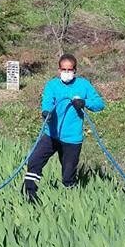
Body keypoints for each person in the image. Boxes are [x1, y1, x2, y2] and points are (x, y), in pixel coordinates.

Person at [24, 54, 105, 201]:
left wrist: (84, 102)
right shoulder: (52, 85)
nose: (66, 73)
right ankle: (30, 194)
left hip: (72, 138)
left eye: (70, 70)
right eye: (64, 69)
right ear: (59, 69)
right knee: (34, 160)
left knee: (68, 175)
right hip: (52, 134)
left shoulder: (83, 85)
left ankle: (70, 201)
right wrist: (46, 111)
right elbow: (47, 100)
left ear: (75, 70)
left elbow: (100, 104)